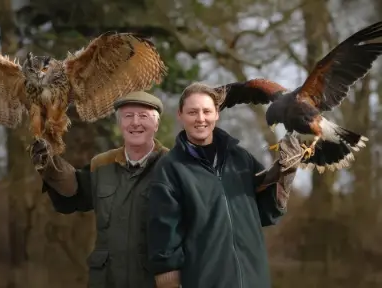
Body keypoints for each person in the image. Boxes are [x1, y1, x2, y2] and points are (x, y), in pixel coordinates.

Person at [146, 83, 304, 288]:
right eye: (192, 112)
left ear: (216, 114)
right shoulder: (170, 168)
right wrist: (168, 278)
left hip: (253, 279)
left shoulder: (241, 158)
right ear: (180, 115)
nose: (200, 118)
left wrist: (285, 178)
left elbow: (266, 213)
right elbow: (163, 232)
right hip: (205, 280)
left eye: (206, 111)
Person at [29, 91, 168, 288]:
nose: (135, 122)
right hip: (105, 281)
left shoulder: (173, 167)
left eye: (144, 116)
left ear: (156, 124)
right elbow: (73, 194)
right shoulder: (102, 164)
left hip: (153, 281)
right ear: (120, 124)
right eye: (128, 116)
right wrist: (50, 165)